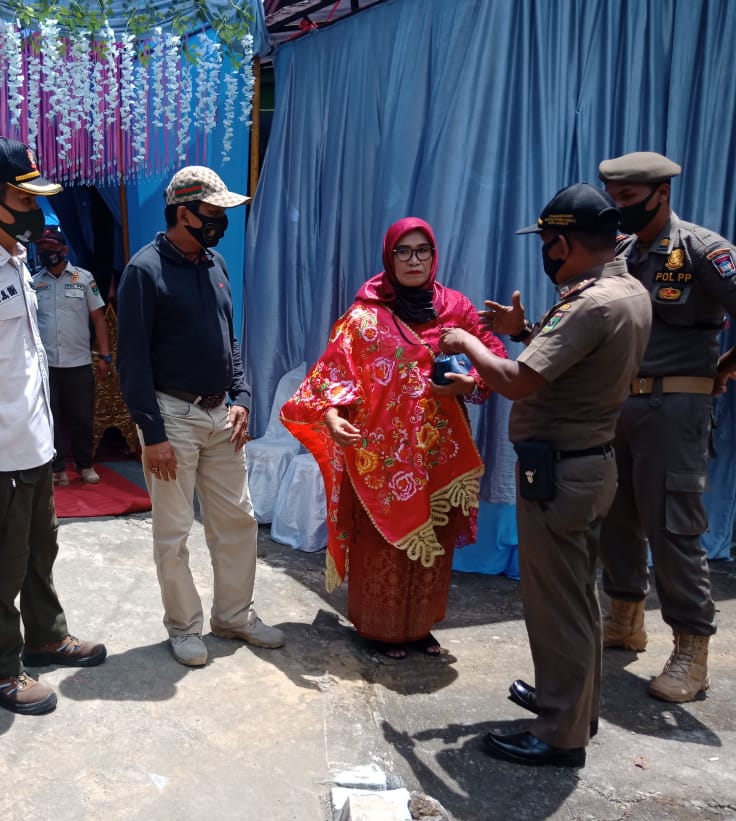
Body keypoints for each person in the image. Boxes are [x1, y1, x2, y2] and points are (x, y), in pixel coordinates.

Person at [441, 183, 652, 767]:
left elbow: (517, 381)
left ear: (562, 244)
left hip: (561, 475)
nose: (546, 252)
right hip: (588, 466)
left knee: (556, 604)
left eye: (548, 242)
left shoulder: (589, 304)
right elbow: (573, 361)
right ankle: (574, 704)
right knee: (576, 598)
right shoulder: (627, 290)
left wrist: (468, 342)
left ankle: (560, 734)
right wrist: (521, 330)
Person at [0, 137, 106, 715]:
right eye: (26, 199)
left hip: (33, 444)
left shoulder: (14, 261)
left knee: (40, 550)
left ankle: (46, 638)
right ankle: (0, 671)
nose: (37, 211)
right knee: (1, 564)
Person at [281, 217, 506, 659]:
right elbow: (333, 376)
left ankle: (420, 627)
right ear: (389, 256)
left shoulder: (455, 308)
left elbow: (493, 354)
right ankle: (379, 629)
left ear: (434, 255)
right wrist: (331, 417)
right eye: (404, 251)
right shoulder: (364, 316)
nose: (414, 260)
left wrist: (472, 382)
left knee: (433, 541)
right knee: (382, 545)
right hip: (381, 456)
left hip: (438, 450)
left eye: (423, 250)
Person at [116, 165, 285, 667]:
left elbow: (228, 338)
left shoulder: (215, 264)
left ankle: (233, 615)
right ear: (184, 213)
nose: (220, 222)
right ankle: (184, 627)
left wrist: (242, 397)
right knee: (173, 531)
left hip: (221, 416)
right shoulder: (144, 271)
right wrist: (152, 433)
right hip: (172, 417)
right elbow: (132, 362)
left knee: (238, 520)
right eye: (213, 212)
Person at [596, 152, 736, 703]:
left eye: (629, 199)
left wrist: (723, 369)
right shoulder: (621, 255)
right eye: (615, 199)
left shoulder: (703, 250)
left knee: (673, 527)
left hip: (675, 409)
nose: (620, 209)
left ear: (661, 194)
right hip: (619, 405)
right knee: (615, 518)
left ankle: (691, 651)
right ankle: (624, 619)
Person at [31, 226, 113, 486]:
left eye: (51, 247)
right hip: (47, 365)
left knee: (82, 417)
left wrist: (105, 355)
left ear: (64, 250)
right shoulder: (34, 283)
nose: (46, 252)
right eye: (42, 248)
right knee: (50, 418)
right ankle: (57, 469)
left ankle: (85, 465)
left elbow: (98, 319)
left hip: (78, 362)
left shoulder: (84, 278)